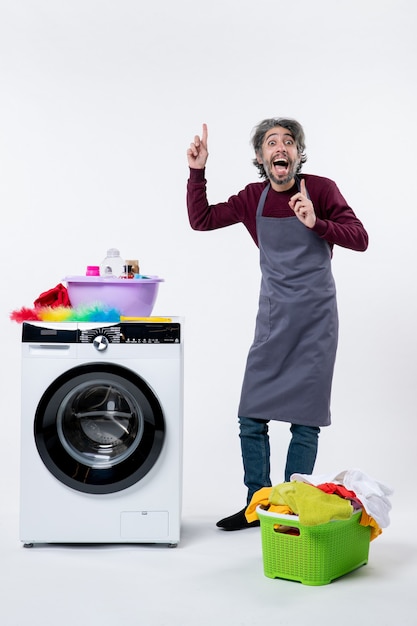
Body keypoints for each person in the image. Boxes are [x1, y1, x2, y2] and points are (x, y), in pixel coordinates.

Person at [186, 119, 368, 531]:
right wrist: (198, 172)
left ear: (299, 155)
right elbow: (202, 220)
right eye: (272, 142)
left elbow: (359, 237)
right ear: (260, 158)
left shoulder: (320, 190)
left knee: (305, 421)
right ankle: (257, 505)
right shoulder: (254, 197)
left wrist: (317, 224)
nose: (281, 147)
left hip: (317, 321)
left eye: (289, 142)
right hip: (273, 320)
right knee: (252, 415)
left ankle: (290, 509)